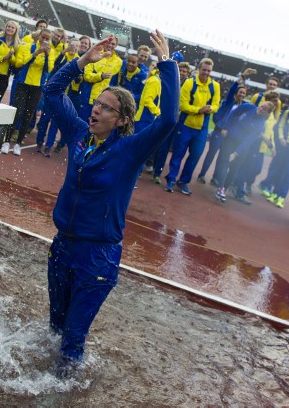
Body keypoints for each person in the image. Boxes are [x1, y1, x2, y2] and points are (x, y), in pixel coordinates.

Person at [42, 30, 179, 373]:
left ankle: (59, 393)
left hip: (97, 258)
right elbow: (52, 92)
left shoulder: (128, 151)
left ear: (121, 120)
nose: (95, 110)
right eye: (97, 104)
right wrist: (82, 61)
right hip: (62, 246)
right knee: (55, 328)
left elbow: (168, 119)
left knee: (73, 338)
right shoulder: (77, 135)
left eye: (106, 108)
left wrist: (167, 65)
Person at [165, 57, 220, 195]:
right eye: (204, 70)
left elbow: (216, 105)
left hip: (202, 129)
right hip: (185, 126)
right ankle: (171, 179)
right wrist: (199, 110)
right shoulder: (189, 83)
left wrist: (210, 108)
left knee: (195, 156)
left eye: (209, 71)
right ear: (199, 69)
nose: (206, 73)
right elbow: (182, 105)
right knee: (178, 153)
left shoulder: (215, 86)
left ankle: (183, 182)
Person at [212, 93, 279, 204]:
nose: (261, 109)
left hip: (242, 146)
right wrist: (225, 127)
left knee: (234, 169)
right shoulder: (248, 107)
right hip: (230, 139)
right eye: (261, 106)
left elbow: (248, 141)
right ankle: (220, 189)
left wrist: (236, 153)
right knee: (226, 162)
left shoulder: (260, 125)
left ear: (267, 114)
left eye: (264, 109)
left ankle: (224, 188)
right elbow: (233, 114)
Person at [1, 27, 55, 156]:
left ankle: (18, 143)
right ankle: (7, 140)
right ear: (38, 37)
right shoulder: (27, 47)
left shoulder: (50, 52)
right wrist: (36, 53)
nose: (45, 41)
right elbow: (21, 63)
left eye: (47, 39)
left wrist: (46, 56)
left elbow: (48, 69)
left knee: (28, 115)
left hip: (37, 87)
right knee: (17, 112)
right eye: (43, 37)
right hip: (23, 84)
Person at [197, 67, 254, 184]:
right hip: (219, 132)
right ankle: (201, 175)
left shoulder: (244, 108)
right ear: (237, 93)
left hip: (229, 136)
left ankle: (215, 178)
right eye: (240, 92)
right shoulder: (229, 102)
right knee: (211, 154)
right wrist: (242, 76)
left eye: (244, 93)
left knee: (222, 158)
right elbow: (232, 89)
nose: (242, 94)